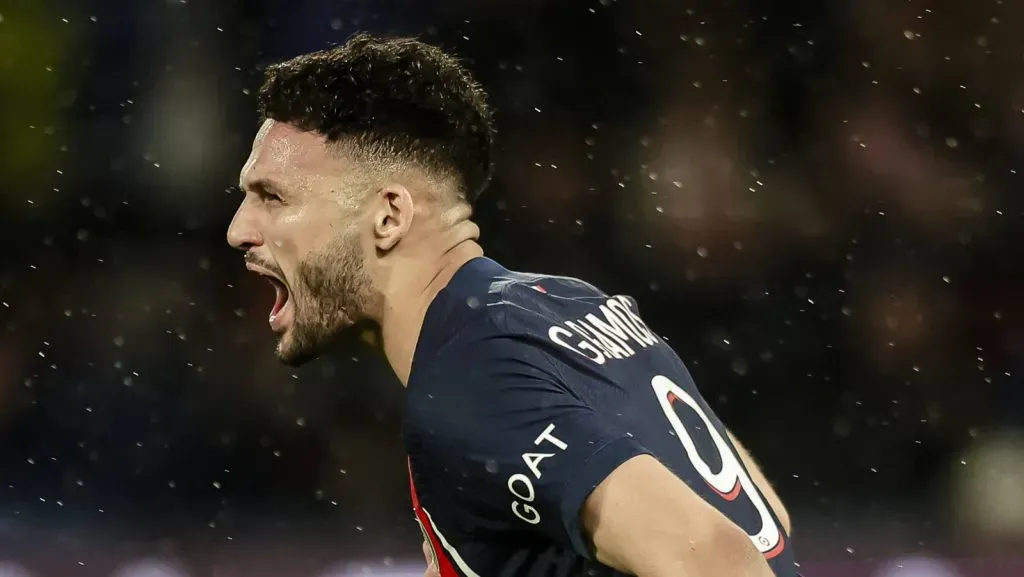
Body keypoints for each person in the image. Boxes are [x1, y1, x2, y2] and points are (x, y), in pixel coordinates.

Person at [226, 32, 798, 577]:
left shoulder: (472, 382)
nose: (238, 230)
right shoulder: (572, 302)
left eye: (272, 197)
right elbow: (763, 526)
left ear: (389, 216)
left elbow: (718, 559)